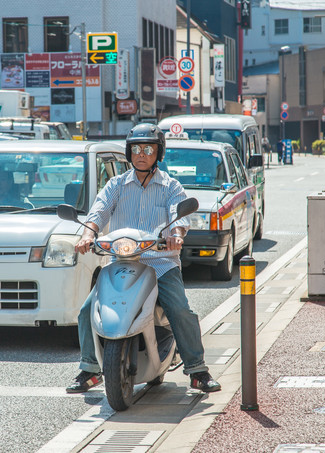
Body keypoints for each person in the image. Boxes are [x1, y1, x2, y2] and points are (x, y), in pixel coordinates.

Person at [65, 123, 221, 394]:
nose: (141, 153)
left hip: (160, 262)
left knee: (180, 309)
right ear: (128, 152)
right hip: (120, 262)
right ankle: (89, 369)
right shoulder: (116, 185)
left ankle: (197, 369)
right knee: (87, 310)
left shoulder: (170, 186)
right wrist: (87, 235)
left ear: (158, 153)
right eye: (135, 148)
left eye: (148, 148)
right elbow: (98, 213)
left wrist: (176, 234)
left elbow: (180, 216)